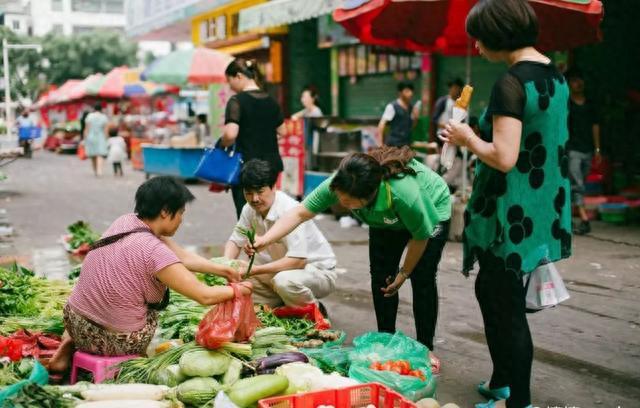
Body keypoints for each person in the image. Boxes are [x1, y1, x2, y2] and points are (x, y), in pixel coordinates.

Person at [440, 1, 572, 407]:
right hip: (542, 207)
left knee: (505, 306)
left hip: (510, 211)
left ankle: (519, 400)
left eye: (479, 36)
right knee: (492, 291)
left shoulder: (511, 83)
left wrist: (466, 139)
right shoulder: (556, 77)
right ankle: (502, 381)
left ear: (497, 34)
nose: (476, 45)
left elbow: (503, 156)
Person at [249, 146, 451, 366]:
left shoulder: (405, 195)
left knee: (422, 278)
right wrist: (265, 239)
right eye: (339, 198)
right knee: (382, 278)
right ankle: (386, 340)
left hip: (430, 212)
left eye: (347, 203)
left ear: (368, 197)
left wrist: (404, 272)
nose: (340, 203)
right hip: (385, 220)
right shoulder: (343, 182)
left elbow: (420, 237)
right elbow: (300, 213)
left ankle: (426, 347)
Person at [48, 176, 250, 372]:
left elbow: (181, 257)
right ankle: (134, 361)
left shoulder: (126, 223)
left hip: (74, 324)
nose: (181, 220)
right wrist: (238, 290)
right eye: (180, 213)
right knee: (152, 310)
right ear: (165, 212)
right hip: (113, 341)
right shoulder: (153, 250)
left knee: (93, 299)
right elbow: (203, 295)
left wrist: (222, 270)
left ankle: (69, 345)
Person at [224, 159, 337, 308]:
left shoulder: (289, 209)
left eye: (260, 192)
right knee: (234, 278)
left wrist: (255, 270)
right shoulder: (248, 209)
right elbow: (235, 240)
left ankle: (315, 311)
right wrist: (224, 266)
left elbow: (298, 261)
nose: (255, 199)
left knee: (284, 281)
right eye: (249, 193)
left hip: (317, 272)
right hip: (281, 269)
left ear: (273, 187)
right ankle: (283, 303)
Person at [221, 58, 287, 219]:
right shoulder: (271, 100)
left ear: (238, 76)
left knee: (247, 217)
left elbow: (230, 134)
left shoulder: (237, 101)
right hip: (271, 167)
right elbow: (283, 131)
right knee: (269, 215)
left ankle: (253, 244)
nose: (229, 86)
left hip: (247, 169)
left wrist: (223, 143)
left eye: (229, 81)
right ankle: (270, 242)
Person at [565, 68, 601, 235]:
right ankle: (584, 218)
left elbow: (595, 126)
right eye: (574, 80)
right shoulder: (567, 104)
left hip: (587, 150)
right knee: (577, 184)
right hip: (572, 149)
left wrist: (597, 148)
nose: (578, 83)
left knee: (578, 184)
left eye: (580, 80)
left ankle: (567, 219)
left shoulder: (591, 104)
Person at [377, 82, 421, 147]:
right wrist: (380, 144)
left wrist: (416, 118)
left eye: (411, 91)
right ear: (400, 93)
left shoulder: (411, 108)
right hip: (393, 145)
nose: (410, 93)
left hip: (406, 144)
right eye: (407, 91)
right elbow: (381, 125)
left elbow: (411, 127)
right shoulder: (392, 106)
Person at [84, 104, 109, 177]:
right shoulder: (104, 117)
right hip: (100, 137)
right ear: (101, 109)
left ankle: (95, 170)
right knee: (100, 154)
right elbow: (106, 130)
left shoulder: (89, 116)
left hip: (90, 136)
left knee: (93, 155)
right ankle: (99, 170)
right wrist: (106, 138)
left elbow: (86, 129)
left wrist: (85, 138)